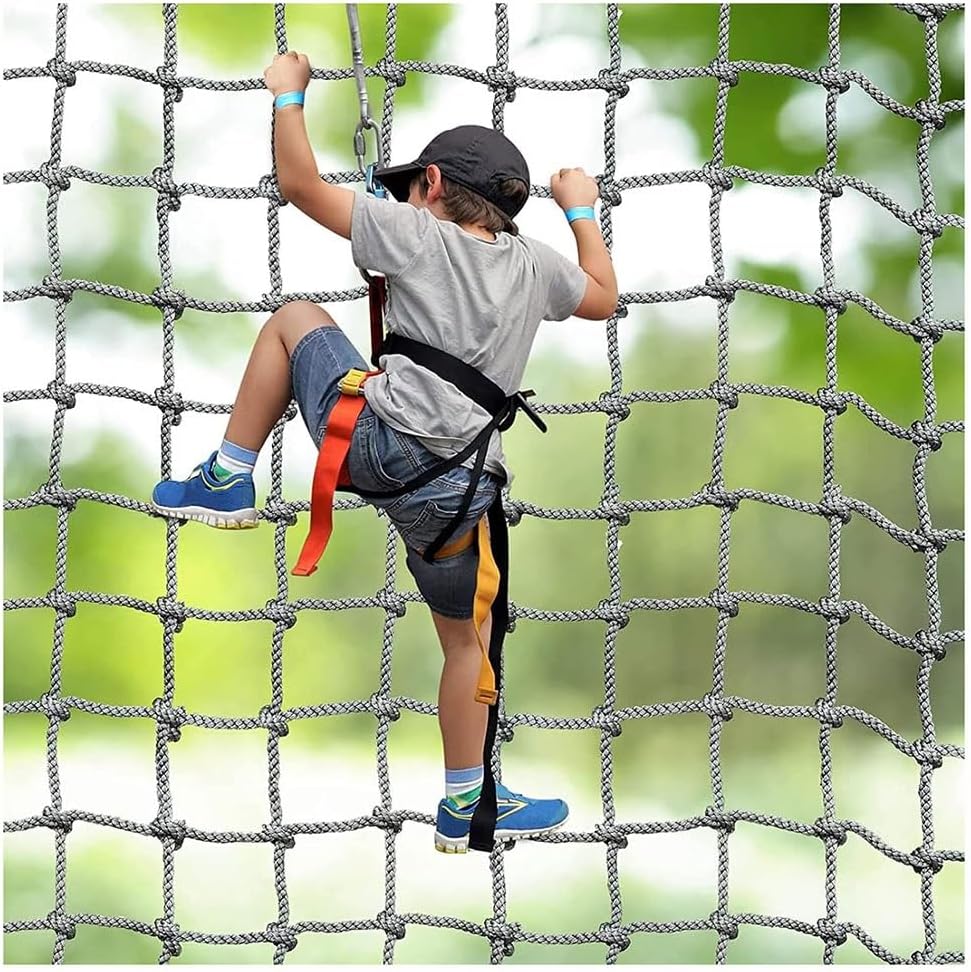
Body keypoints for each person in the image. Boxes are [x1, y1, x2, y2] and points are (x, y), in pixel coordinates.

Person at [152, 51, 618, 853]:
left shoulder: (411, 231)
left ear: (430, 184)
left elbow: (300, 186)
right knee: (468, 645)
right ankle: (465, 802)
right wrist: (579, 209)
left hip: (374, 449)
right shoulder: (535, 266)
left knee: (294, 318)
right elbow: (603, 299)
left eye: (409, 189)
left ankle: (228, 475)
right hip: (459, 494)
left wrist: (289, 95)